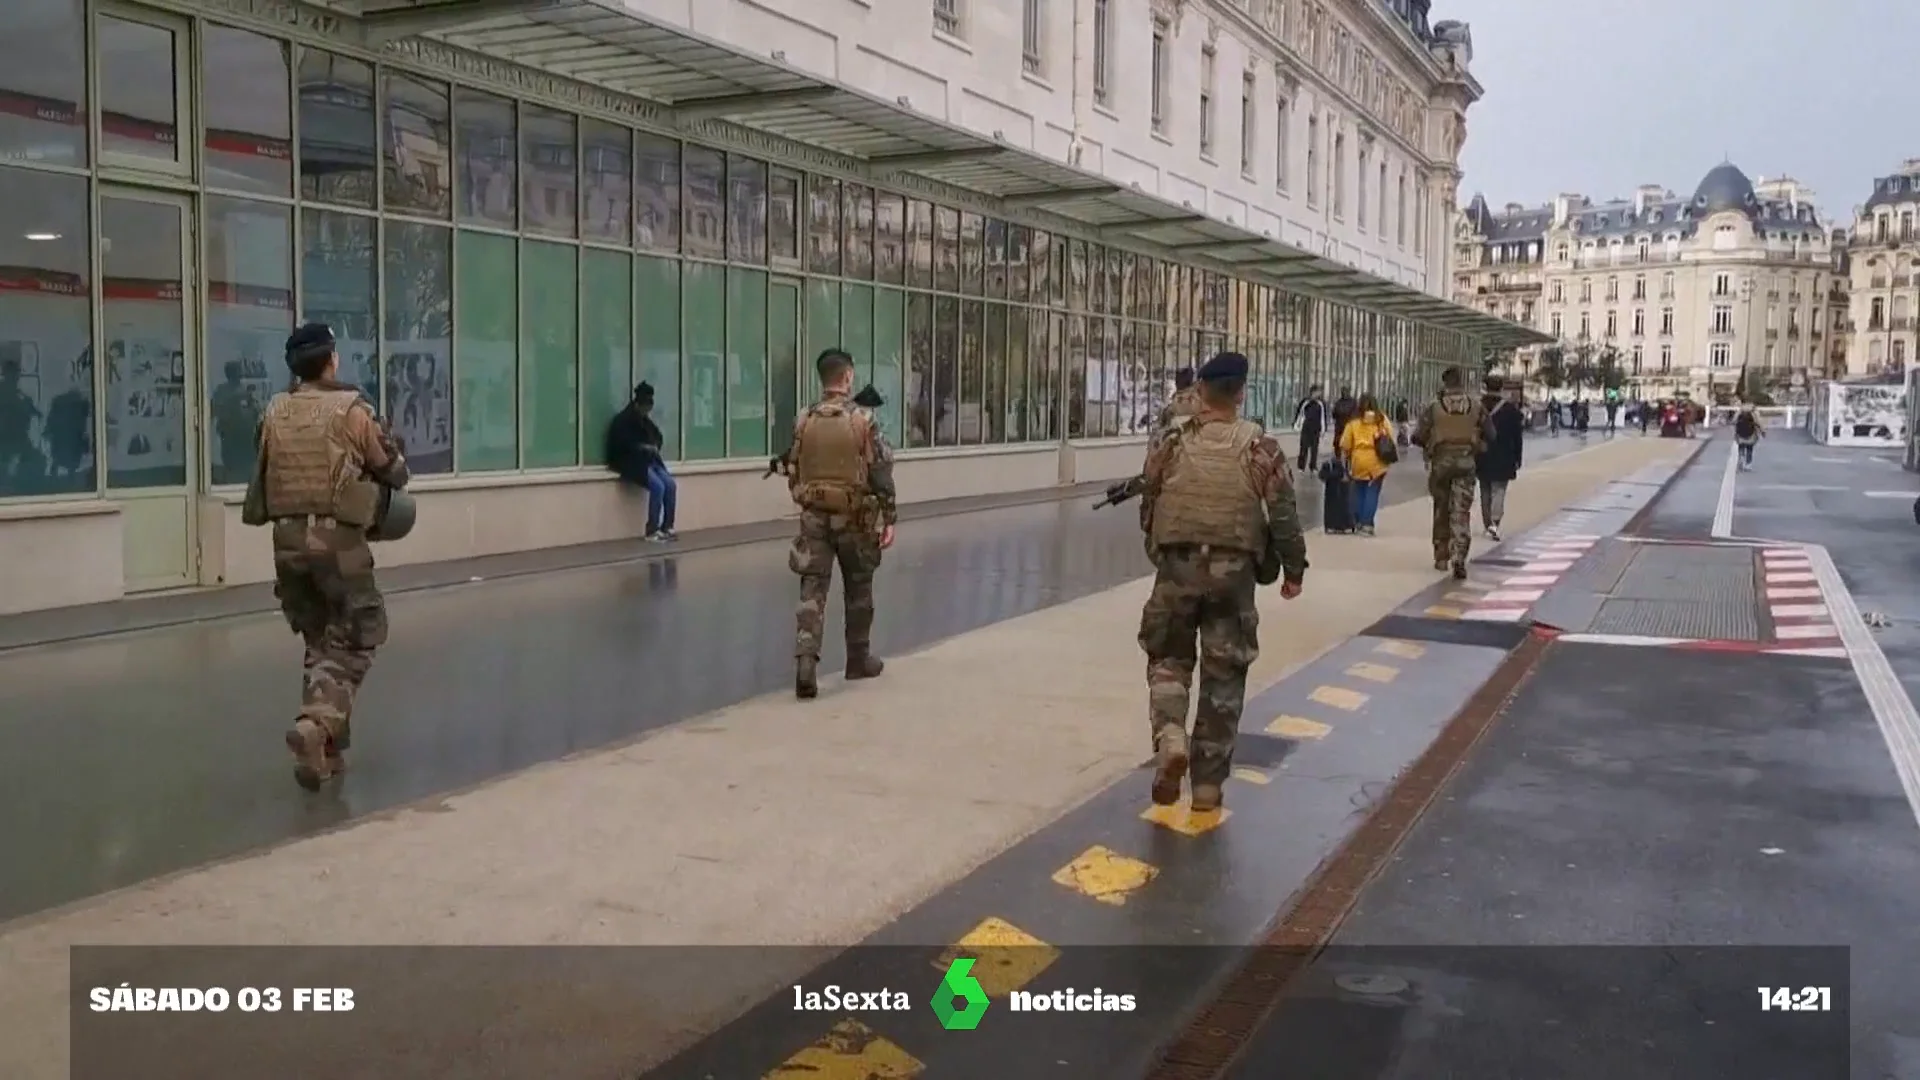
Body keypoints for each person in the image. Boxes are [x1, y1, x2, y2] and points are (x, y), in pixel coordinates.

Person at [1137, 352, 1309, 813]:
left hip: (1177, 567)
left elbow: (1149, 504)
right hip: (1233, 576)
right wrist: (1293, 571)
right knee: (1224, 676)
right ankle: (1208, 787)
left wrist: (1163, 554)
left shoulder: (1168, 443)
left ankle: (1171, 736)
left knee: (1169, 660)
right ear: (1240, 394)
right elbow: (1285, 517)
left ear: (1200, 393)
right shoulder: (1260, 448)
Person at [244, 322, 409, 791]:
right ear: (331, 359)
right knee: (357, 638)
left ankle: (326, 753)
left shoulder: (274, 410)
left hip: (288, 544)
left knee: (320, 642)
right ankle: (316, 726)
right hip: (337, 545)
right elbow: (394, 470)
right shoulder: (352, 410)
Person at [783, 348, 898, 699]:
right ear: (847, 377)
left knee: (812, 589)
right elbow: (880, 469)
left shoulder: (804, 419)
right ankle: (857, 659)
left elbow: (793, 464)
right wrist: (889, 516)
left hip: (814, 516)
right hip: (854, 518)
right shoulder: (862, 419)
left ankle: (806, 662)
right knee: (859, 586)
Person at [1413, 366, 1487, 580]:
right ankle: (1460, 556)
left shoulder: (1434, 407)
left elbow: (1417, 436)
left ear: (1444, 383)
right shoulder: (1475, 406)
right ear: (1461, 382)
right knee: (1461, 512)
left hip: (1441, 465)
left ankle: (1441, 556)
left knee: (1441, 510)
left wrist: (1431, 445)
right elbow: (1491, 433)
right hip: (1466, 464)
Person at [605, 382, 677, 540]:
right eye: (645, 408)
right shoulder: (623, 421)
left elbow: (657, 436)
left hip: (649, 461)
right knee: (658, 487)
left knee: (670, 485)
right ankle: (652, 529)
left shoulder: (645, 422)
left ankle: (668, 526)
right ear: (638, 404)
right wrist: (643, 448)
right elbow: (623, 445)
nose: (647, 412)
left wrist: (654, 446)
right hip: (632, 462)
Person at [1336, 392, 1395, 535]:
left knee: (1359, 491)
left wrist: (1345, 464)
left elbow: (1344, 445)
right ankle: (1367, 524)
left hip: (1359, 460)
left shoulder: (1353, 422)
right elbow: (1390, 437)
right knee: (1372, 492)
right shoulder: (1381, 419)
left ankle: (1359, 522)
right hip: (1377, 461)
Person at [1476, 377, 1526, 541]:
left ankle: (1486, 523)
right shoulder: (1510, 410)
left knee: (1485, 490)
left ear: (1485, 387)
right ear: (1501, 388)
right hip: (1504, 456)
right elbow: (1517, 436)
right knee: (1499, 490)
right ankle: (1495, 523)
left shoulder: (1477, 407)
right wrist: (1518, 457)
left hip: (1482, 455)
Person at [1293, 384, 1327, 472]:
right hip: (1306, 428)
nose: (1319, 394)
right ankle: (1301, 466)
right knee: (1303, 448)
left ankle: (1313, 466)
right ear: (1313, 392)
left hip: (1315, 429)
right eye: (1317, 392)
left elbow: (1323, 417)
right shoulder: (1305, 402)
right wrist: (1296, 425)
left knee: (1314, 449)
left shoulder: (1320, 403)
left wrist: (1323, 429)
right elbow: (1299, 413)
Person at [1734, 403, 1763, 469]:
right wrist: (1762, 431)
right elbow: (1758, 423)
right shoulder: (1753, 413)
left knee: (1741, 447)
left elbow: (1734, 421)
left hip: (1740, 433)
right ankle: (1748, 464)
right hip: (1751, 433)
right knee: (1749, 449)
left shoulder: (1740, 413)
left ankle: (1741, 457)